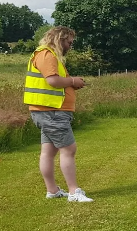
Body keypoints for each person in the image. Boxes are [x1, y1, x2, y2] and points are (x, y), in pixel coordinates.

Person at [24, 26, 93, 203]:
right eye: (69, 42)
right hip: (52, 112)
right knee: (68, 149)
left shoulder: (46, 55)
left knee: (48, 151)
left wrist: (71, 84)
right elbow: (53, 80)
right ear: (59, 39)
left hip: (47, 111)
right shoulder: (47, 55)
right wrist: (72, 81)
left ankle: (53, 191)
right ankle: (73, 191)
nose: (70, 46)